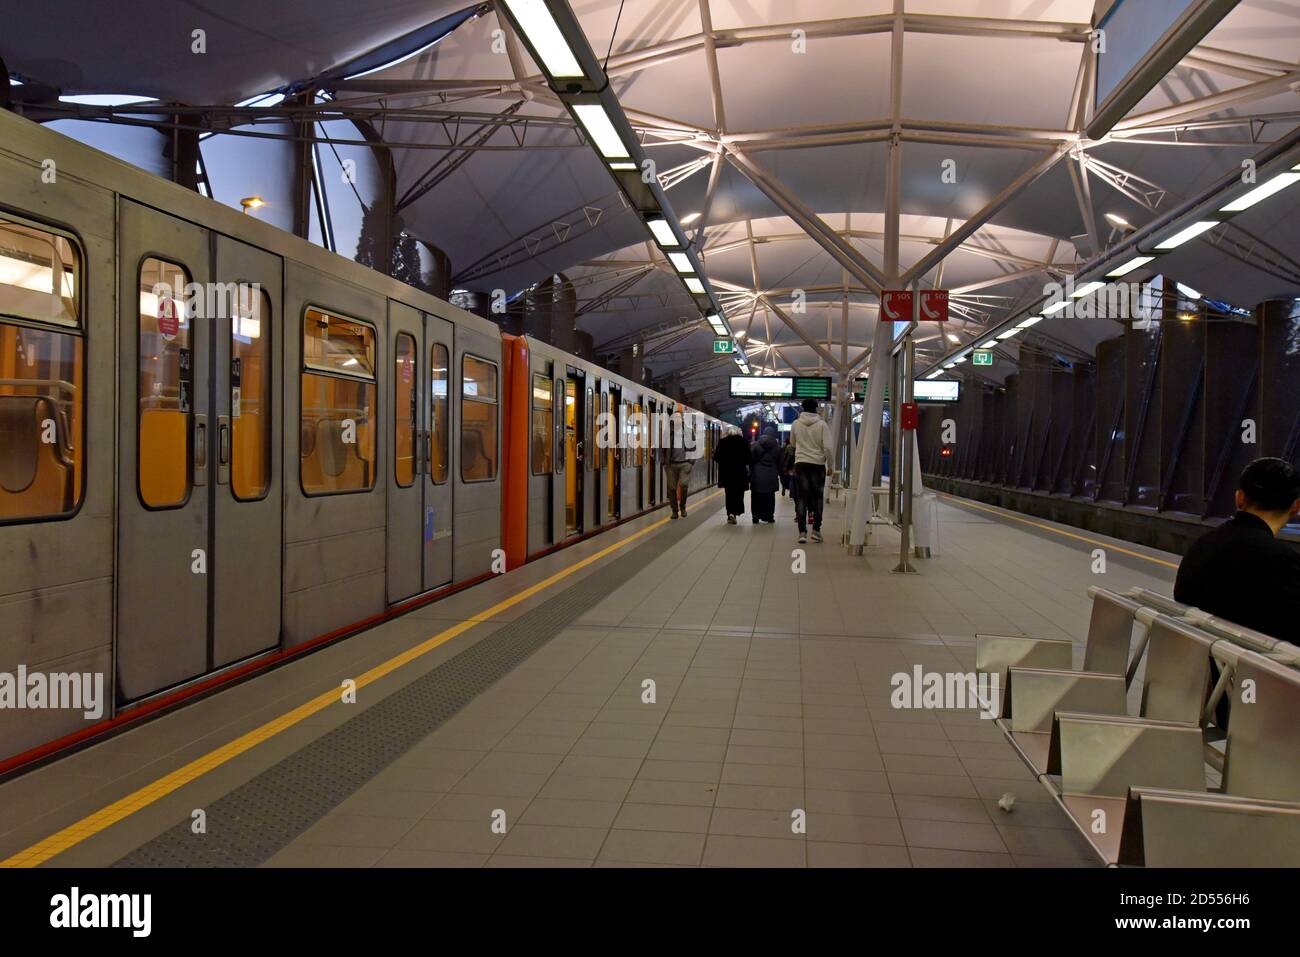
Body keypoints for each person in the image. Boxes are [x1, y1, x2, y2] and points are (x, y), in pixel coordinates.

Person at [1175, 457, 1300, 643]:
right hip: (1254, 668)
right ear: (1295, 507)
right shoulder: (1283, 561)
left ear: (1239, 498)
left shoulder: (1202, 546)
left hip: (1203, 661)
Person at [791, 397, 834, 544]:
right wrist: (831, 465)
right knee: (817, 497)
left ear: (802, 408)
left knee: (801, 498)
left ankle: (802, 532)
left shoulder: (796, 424)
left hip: (801, 464)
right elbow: (828, 447)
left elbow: (792, 443)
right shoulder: (822, 425)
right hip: (817, 465)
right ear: (816, 408)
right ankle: (816, 530)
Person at [713, 425, 750, 524]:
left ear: (728, 432)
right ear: (738, 432)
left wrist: (725, 462)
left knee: (729, 494)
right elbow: (748, 458)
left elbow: (716, 457)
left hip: (727, 473)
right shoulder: (743, 442)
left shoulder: (722, 442)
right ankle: (736, 511)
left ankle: (730, 513)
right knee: (739, 493)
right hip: (740, 473)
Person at [664, 409, 694, 519]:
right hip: (671, 465)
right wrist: (665, 463)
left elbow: (694, 447)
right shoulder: (668, 432)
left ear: (681, 419)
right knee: (671, 488)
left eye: (679, 417)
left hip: (685, 464)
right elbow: (663, 448)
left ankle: (683, 507)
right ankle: (674, 511)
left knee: (683, 485)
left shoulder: (688, 432)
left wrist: (691, 462)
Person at [749, 424, 781, 524]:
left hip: (757, 475)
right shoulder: (777, 447)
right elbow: (780, 463)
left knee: (756, 496)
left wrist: (751, 472)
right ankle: (769, 516)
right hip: (771, 475)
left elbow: (750, 460)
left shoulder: (755, 445)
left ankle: (755, 516)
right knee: (770, 497)